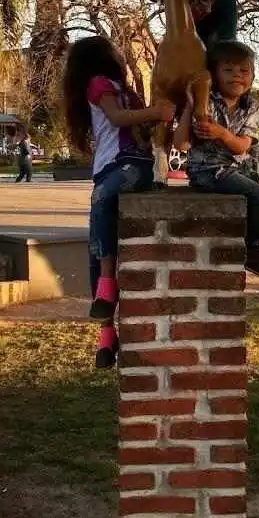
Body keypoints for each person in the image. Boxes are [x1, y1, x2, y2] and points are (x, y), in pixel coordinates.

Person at [63, 35, 175, 368]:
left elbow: (140, 131)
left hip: (133, 166)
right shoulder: (99, 84)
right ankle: (106, 333)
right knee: (98, 244)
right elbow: (115, 117)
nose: (122, 56)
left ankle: (107, 286)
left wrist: (157, 118)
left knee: (102, 204)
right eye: (116, 51)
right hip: (110, 168)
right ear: (101, 57)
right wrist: (154, 111)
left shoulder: (126, 91)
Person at [173, 40, 259, 294]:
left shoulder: (252, 106)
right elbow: (181, 144)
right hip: (207, 171)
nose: (237, 75)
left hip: (237, 169)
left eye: (244, 71)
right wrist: (191, 105)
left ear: (252, 76)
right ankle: (253, 250)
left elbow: (241, 146)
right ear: (214, 75)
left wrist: (221, 133)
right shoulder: (206, 102)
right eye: (228, 70)